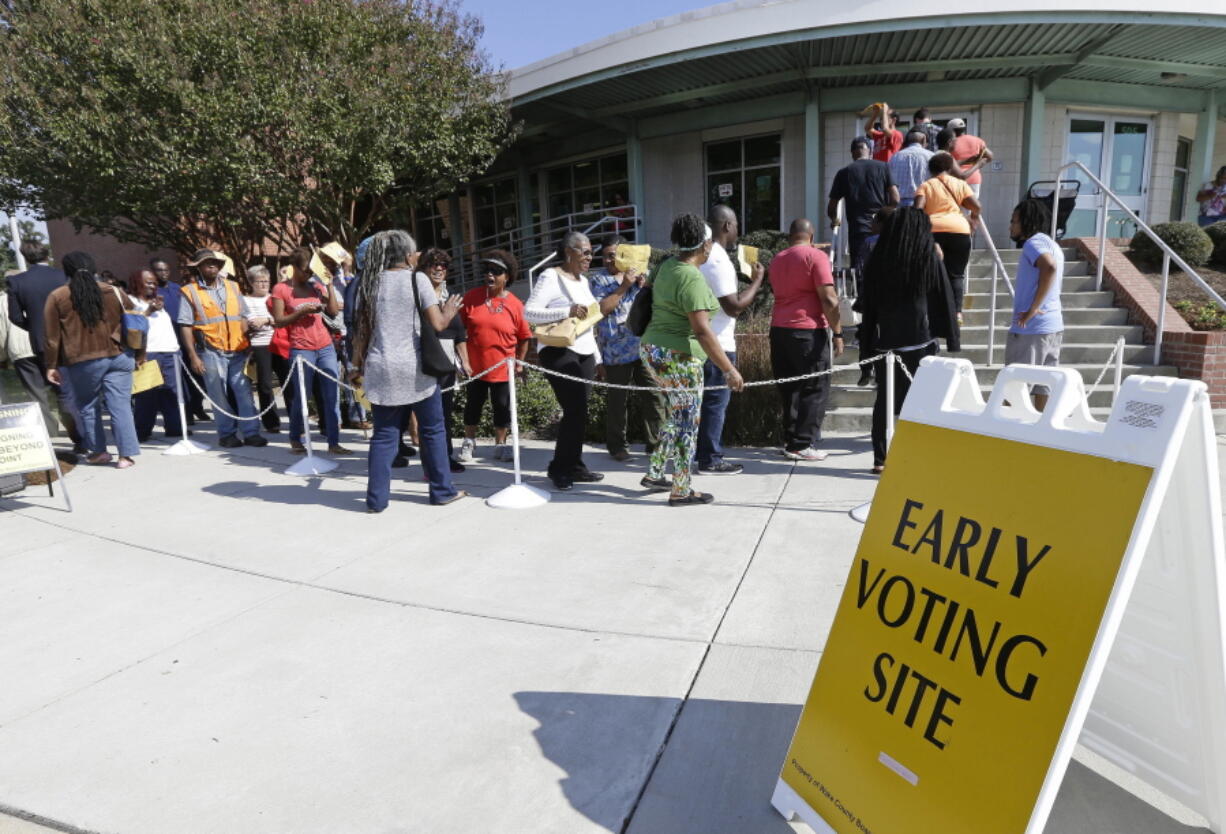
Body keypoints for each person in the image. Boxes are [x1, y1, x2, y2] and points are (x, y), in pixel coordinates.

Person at [350, 230, 466, 511]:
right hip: (415, 369)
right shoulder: (418, 279)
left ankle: (376, 500)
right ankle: (441, 490)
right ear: (405, 254)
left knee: (384, 435)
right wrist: (449, 311)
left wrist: (355, 365)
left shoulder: (370, 282)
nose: (417, 256)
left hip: (380, 366)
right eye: (414, 251)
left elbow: (362, 332)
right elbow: (438, 324)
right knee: (433, 430)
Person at [640, 214, 744, 506]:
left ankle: (655, 472)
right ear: (706, 245)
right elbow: (702, 331)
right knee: (688, 423)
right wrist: (729, 369)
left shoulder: (665, 266)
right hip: (679, 356)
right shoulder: (691, 278)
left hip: (653, 350)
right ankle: (681, 489)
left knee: (677, 415)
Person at [859, 208, 960, 473]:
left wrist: (865, 349)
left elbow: (867, 305)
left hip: (885, 341)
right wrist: (951, 338)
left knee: (884, 401)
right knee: (922, 401)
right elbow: (944, 298)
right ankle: (917, 455)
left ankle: (880, 458)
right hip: (919, 341)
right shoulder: (926, 258)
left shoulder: (878, 259)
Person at [42, 251, 140, 468]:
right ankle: (126, 456)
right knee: (121, 405)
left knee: (88, 405)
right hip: (119, 355)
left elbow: (51, 337)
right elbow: (135, 322)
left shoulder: (57, 296)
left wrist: (51, 365)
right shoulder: (114, 291)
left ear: (66, 271)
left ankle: (99, 452)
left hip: (83, 360)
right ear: (94, 268)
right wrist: (139, 355)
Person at [525, 231, 605, 491]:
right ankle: (559, 468)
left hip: (585, 351)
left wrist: (598, 357)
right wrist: (566, 310)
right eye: (585, 252)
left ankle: (575, 464)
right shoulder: (550, 276)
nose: (590, 257)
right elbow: (529, 312)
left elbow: (589, 322)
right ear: (569, 252)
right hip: (558, 350)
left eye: (591, 252)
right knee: (574, 409)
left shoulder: (583, 281)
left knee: (579, 413)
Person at [696, 203, 765, 476]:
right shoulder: (718, 258)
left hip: (704, 341)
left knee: (703, 404)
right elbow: (734, 307)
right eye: (736, 224)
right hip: (718, 344)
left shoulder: (705, 255)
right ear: (726, 226)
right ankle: (710, 459)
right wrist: (758, 280)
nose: (738, 229)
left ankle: (701, 453)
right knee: (715, 404)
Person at [768, 218, 843, 461]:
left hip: (779, 330)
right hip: (808, 331)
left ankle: (791, 440)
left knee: (789, 388)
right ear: (811, 237)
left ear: (790, 236)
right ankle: (802, 444)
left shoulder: (777, 259)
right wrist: (838, 332)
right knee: (815, 387)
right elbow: (830, 299)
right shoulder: (816, 257)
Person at [177, 249, 267, 449]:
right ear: (198, 267)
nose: (212, 266)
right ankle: (227, 434)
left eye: (215, 263)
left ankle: (252, 433)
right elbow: (185, 325)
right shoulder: (189, 291)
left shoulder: (233, 287)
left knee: (244, 392)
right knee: (218, 394)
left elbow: (242, 316)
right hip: (210, 351)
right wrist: (193, 356)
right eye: (207, 263)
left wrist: (248, 344)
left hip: (238, 350)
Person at [588, 234, 666, 461]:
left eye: (613, 256)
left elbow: (656, 306)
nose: (608, 261)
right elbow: (602, 309)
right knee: (617, 402)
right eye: (605, 257)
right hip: (614, 352)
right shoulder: (598, 280)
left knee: (653, 396)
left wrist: (645, 286)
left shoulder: (642, 275)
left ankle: (656, 445)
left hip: (643, 347)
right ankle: (617, 446)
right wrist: (624, 286)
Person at [6, 238, 83, 448]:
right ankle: (82, 436)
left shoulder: (17, 281)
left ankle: (78, 438)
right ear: (46, 254)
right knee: (72, 391)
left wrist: (37, 328)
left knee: (59, 390)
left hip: (43, 343)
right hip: (73, 339)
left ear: (25, 257)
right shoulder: (63, 275)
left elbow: (15, 317)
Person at [271, 247, 348, 455]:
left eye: (312, 271)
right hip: (301, 349)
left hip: (325, 347)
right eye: (305, 270)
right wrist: (301, 312)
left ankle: (333, 442)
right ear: (294, 267)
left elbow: (332, 311)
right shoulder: (281, 289)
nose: (309, 274)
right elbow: (278, 322)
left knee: (331, 396)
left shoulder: (315, 286)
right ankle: (296, 438)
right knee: (302, 397)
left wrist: (329, 285)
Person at [459, 251, 531, 465]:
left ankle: (500, 445)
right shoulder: (471, 297)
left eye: (496, 271)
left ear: (507, 276)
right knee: (473, 406)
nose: (490, 275)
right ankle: (469, 442)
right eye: (487, 271)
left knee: (502, 406)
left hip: (503, 368)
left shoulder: (516, 304)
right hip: (475, 367)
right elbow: (458, 329)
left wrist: (519, 362)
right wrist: (462, 359)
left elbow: (524, 337)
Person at [1007, 198, 1065, 410]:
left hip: (1031, 328)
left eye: (1014, 221)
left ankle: (1006, 433)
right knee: (1043, 385)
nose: (1011, 226)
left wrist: (1032, 309)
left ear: (1027, 222)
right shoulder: (1053, 244)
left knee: (1015, 385)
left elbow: (1048, 267)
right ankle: (1040, 428)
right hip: (1053, 326)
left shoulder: (1034, 243)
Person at [419, 247, 469, 472]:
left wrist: (465, 361)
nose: (439, 269)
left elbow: (459, 333)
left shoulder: (453, 297)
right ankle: (430, 461)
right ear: (424, 268)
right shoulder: (419, 295)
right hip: (426, 357)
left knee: (445, 412)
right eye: (433, 264)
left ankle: (445, 457)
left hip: (448, 359)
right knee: (429, 414)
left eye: (443, 265)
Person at [914, 152, 981, 316]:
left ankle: (933, 313)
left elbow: (917, 210)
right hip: (959, 230)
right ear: (950, 168)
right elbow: (976, 206)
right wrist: (973, 222)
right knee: (956, 275)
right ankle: (956, 313)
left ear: (931, 169)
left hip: (933, 232)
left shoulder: (926, 185)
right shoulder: (960, 184)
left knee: (931, 272)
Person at [828, 138, 900, 280]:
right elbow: (896, 199)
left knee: (859, 272)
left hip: (858, 229)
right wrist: (883, 215)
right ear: (870, 151)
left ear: (852, 153)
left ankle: (862, 299)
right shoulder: (884, 167)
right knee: (884, 268)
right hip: (882, 228)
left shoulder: (844, 173)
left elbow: (832, 207)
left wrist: (834, 220)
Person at [127, 268, 183, 441]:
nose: (152, 285)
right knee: (147, 395)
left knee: (171, 392)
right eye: (148, 282)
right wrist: (149, 311)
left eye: (154, 282)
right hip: (148, 353)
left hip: (169, 352)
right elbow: (132, 327)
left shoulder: (157, 302)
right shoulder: (131, 301)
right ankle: (142, 431)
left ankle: (174, 428)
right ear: (137, 282)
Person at [243, 265, 281, 433]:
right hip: (259, 345)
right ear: (251, 282)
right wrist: (271, 319)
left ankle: (298, 422)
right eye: (260, 281)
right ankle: (271, 422)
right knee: (265, 385)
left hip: (278, 342)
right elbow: (251, 322)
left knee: (288, 381)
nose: (264, 284)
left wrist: (266, 320)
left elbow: (281, 318)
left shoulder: (275, 298)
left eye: (267, 281)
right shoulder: (245, 300)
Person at [947, 117, 992, 198]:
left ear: (951, 130)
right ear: (964, 129)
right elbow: (990, 156)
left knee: (957, 208)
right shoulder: (977, 140)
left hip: (956, 177)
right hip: (974, 177)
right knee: (973, 206)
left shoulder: (951, 143)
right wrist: (979, 162)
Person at [888, 130, 935, 208]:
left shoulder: (895, 157)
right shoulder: (930, 156)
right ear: (924, 140)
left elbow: (889, 180)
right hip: (921, 203)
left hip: (899, 203)